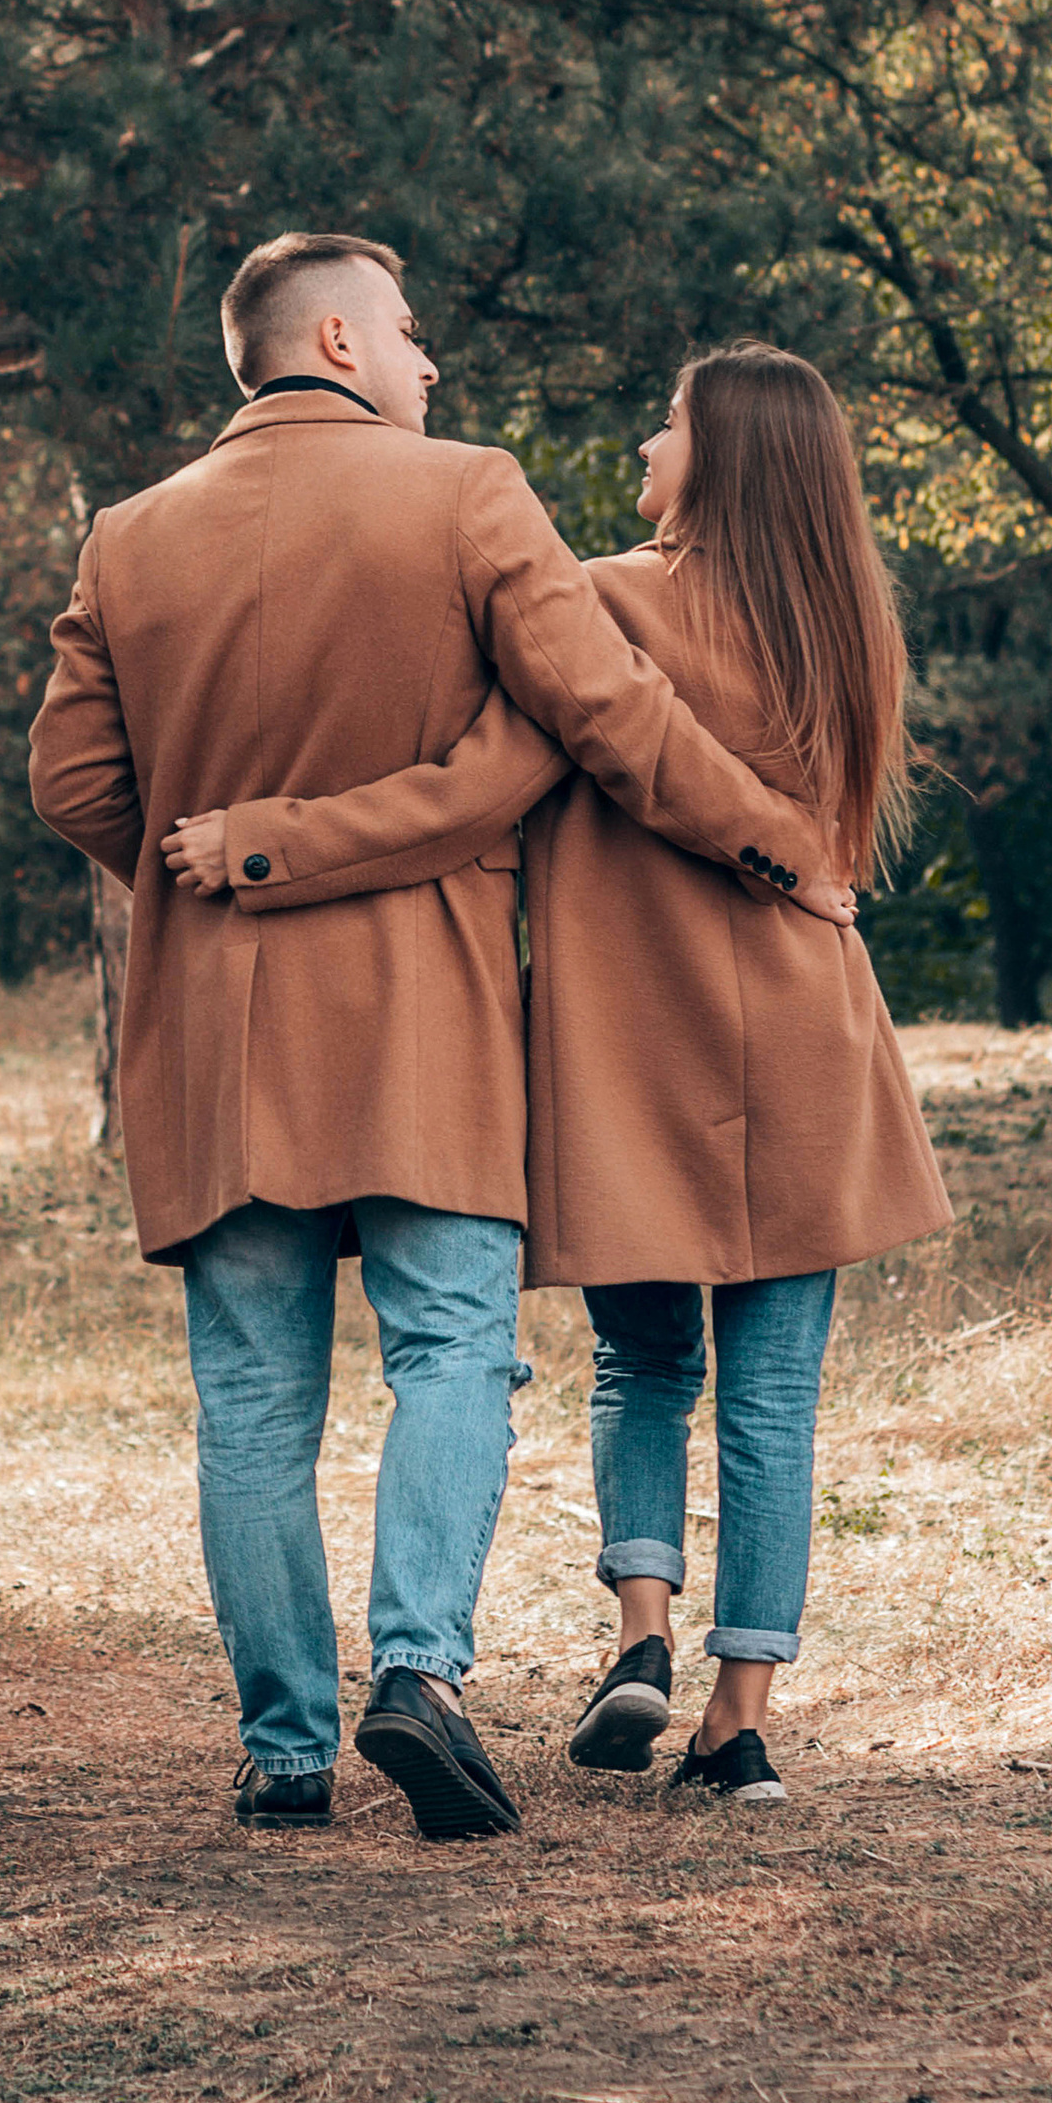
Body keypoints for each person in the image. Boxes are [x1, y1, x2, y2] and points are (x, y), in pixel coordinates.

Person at [27, 242, 855, 1845]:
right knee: (453, 1356)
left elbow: (71, 787)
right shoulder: (469, 495)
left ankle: (283, 1756)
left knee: (254, 1405)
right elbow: (603, 723)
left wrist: (215, 863)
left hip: (214, 1032)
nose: (429, 364)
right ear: (336, 336)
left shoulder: (125, 541)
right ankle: (422, 1672)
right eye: (409, 334)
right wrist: (779, 846)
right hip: (426, 1022)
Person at [165, 342, 950, 1807]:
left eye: (667, 425)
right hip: (807, 1036)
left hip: (629, 1057)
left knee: (645, 1362)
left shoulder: (598, 599)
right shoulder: (852, 631)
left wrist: (272, 840)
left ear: (716, 460)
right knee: (776, 1403)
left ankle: (640, 1634)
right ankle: (742, 1723)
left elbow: (481, 788)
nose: (648, 446)